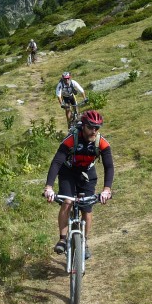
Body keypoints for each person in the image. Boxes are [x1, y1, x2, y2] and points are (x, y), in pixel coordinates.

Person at [43, 109, 113, 260]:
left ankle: (85, 242)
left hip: (87, 175)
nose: (94, 131)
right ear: (83, 126)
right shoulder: (71, 139)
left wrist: (107, 189)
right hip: (68, 172)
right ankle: (62, 238)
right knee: (67, 202)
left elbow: (109, 167)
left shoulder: (101, 142)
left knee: (87, 209)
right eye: (90, 127)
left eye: (97, 128)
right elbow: (56, 162)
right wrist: (49, 187)